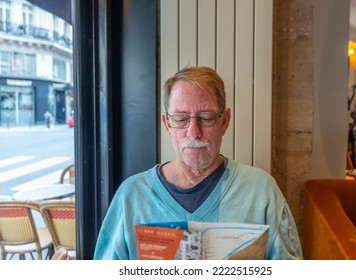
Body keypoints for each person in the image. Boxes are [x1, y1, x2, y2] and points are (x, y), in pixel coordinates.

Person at [94, 66, 303, 260]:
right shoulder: (132, 196)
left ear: (224, 121)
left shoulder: (261, 191)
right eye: (181, 119)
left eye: (206, 117)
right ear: (167, 124)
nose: (194, 131)